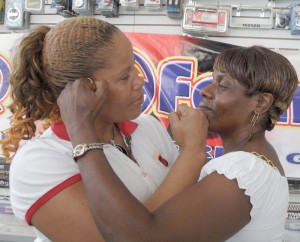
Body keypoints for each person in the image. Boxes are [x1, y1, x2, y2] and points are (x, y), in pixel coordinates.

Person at [57, 45, 299, 242]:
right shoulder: (249, 163)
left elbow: (140, 239)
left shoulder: (244, 172)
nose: (206, 91)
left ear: (260, 103)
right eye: (212, 81)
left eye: (223, 86)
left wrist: (82, 133)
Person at [0, 17, 208, 241]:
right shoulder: (40, 162)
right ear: (84, 89)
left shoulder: (148, 126)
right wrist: (192, 152)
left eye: (135, 68)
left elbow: (190, 209)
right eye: (124, 75)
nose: (140, 80)